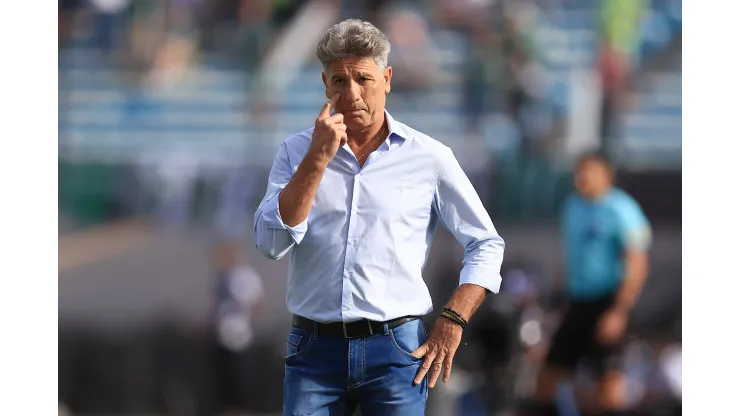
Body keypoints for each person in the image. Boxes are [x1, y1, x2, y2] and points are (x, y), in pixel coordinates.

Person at [253, 19, 505, 416]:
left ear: (387, 79)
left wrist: (454, 318)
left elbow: (486, 243)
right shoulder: (296, 152)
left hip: (397, 348)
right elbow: (270, 244)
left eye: (363, 78)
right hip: (314, 348)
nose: (352, 93)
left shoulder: (429, 157)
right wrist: (317, 160)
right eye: (339, 80)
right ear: (324, 85)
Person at [527, 152, 652, 416]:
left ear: (607, 176)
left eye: (589, 171)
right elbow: (570, 257)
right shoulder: (572, 206)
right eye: (579, 171)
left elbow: (637, 265)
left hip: (607, 302)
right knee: (547, 377)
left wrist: (618, 312)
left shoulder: (622, 209)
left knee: (608, 384)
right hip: (577, 303)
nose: (581, 177)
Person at [209, 240, 265, 415]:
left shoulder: (245, 277)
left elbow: (258, 303)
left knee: (238, 379)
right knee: (223, 381)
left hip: (238, 337)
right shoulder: (222, 278)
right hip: (221, 336)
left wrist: (245, 311)